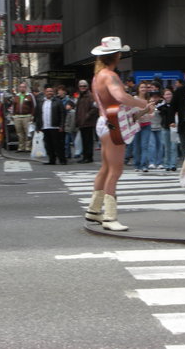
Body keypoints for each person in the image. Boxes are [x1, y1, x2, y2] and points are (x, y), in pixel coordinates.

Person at [84, 36, 152, 231]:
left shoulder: (97, 76)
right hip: (112, 123)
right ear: (116, 56)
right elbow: (120, 97)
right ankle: (109, 217)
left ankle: (94, 210)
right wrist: (142, 103)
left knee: (106, 168)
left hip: (103, 121)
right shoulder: (110, 76)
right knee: (115, 170)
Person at [35, 85, 66, 165]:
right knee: (48, 145)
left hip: (55, 127)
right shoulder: (41, 101)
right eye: (48, 91)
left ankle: (62, 159)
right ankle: (52, 160)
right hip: (45, 127)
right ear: (45, 92)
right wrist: (38, 126)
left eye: (51, 91)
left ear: (53, 92)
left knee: (58, 144)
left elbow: (62, 114)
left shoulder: (58, 101)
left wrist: (61, 126)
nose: (49, 93)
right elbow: (38, 114)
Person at [75, 79, 99, 163]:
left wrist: (87, 115)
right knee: (84, 141)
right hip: (82, 122)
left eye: (84, 86)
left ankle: (88, 157)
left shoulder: (90, 96)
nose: (82, 87)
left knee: (88, 141)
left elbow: (95, 107)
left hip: (88, 122)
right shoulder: (80, 96)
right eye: (81, 86)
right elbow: (78, 109)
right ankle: (85, 156)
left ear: (87, 87)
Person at [132, 81, 153, 172]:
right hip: (136, 125)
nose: (143, 89)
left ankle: (144, 165)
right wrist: (144, 111)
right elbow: (133, 113)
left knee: (144, 145)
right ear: (138, 89)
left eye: (145, 87)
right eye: (141, 87)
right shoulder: (134, 99)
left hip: (146, 125)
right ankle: (137, 164)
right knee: (137, 146)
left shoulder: (149, 100)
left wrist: (149, 110)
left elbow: (152, 113)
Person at [157, 88, 178, 171]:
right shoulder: (162, 106)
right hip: (165, 127)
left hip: (174, 128)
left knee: (174, 147)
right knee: (166, 147)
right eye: (166, 94)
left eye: (170, 94)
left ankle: (173, 164)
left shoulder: (176, 105)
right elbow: (157, 110)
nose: (168, 96)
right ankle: (166, 164)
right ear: (163, 96)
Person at [12, 82, 36, 152]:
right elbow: (13, 106)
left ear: (26, 88)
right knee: (19, 133)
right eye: (21, 87)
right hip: (17, 117)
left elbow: (33, 106)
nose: (22, 88)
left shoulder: (29, 96)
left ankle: (28, 147)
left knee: (27, 132)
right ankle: (21, 147)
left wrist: (32, 115)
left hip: (27, 116)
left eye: (23, 87)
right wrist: (13, 116)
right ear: (19, 88)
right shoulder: (16, 96)